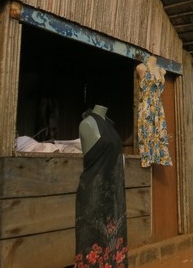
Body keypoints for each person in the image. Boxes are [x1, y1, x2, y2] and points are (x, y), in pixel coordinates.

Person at [75, 105, 128, 267]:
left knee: (114, 239)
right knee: (91, 239)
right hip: (93, 192)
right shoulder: (87, 124)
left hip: (114, 194)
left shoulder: (110, 126)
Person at [136, 55, 172, 167]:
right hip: (146, 103)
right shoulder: (141, 67)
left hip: (158, 105)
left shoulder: (162, 71)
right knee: (147, 129)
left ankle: (159, 157)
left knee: (159, 131)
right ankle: (147, 158)